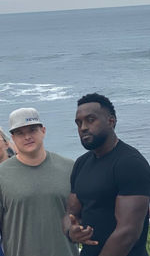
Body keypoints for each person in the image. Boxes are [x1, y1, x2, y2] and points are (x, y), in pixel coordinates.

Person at [0, 107, 79, 256]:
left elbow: (84, 211)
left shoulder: (71, 168)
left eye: (32, 130)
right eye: (20, 133)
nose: (27, 136)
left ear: (43, 131)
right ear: (13, 138)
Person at [63, 93, 150, 256]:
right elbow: (71, 212)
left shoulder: (130, 163)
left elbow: (127, 232)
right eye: (79, 123)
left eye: (90, 120)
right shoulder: (81, 163)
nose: (83, 128)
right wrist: (71, 231)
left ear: (111, 121)